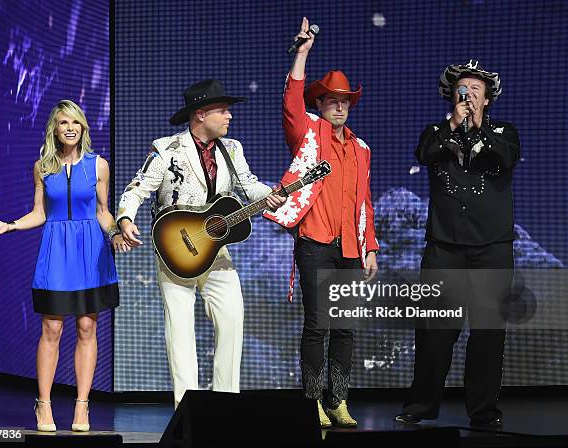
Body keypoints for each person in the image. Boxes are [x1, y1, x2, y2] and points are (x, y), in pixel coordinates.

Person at [117, 79, 286, 408]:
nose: (229, 117)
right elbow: (136, 189)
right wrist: (125, 218)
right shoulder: (167, 149)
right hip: (175, 248)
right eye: (223, 111)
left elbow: (248, 186)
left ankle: (225, 406)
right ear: (200, 114)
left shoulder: (232, 149)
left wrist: (272, 195)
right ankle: (188, 409)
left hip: (216, 250)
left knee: (232, 318)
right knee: (180, 329)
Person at [0, 100, 127, 432]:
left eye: (76, 122)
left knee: (87, 329)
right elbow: (40, 212)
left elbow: (103, 212)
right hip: (56, 253)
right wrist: (11, 225)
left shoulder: (98, 165)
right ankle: (43, 404)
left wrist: (116, 232)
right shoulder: (42, 167)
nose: (70, 128)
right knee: (52, 329)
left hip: (91, 254)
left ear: (83, 127)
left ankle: (82, 406)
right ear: (55, 129)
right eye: (63, 123)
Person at [264, 17, 379, 428]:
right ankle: (312, 400)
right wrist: (303, 52)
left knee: (345, 328)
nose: (339, 104)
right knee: (318, 325)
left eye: (345, 100)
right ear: (321, 104)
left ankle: (340, 400)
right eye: (332, 99)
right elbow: (291, 100)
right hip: (315, 243)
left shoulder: (361, 148)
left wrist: (370, 248)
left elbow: (363, 200)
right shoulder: (309, 132)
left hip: (350, 247)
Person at [395, 60, 520, 428]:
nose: (468, 95)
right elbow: (424, 154)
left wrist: (480, 127)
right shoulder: (436, 131)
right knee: (434, 332)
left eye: (475, 90)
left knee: (487, 333)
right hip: (444, 248)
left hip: (492, 249)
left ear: (488, 99)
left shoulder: (504, 131)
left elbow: (507, 157)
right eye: (462, 91)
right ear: (452, 97)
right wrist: (454, 124)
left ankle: (483, 412)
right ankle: (421, 405)